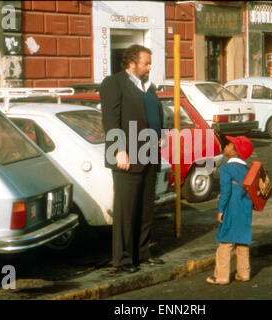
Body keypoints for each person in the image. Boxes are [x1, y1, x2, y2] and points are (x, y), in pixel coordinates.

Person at [100, 44, 165, 273]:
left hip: (150, 153)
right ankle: (124, 259)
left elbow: (154, 115)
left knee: (146, 207)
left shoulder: (148, 86)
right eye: (146, 63)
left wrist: (160, 136)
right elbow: (111, 119)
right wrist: (119, 150)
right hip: (127, 156)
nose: (149, 67)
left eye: (149, 63)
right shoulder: (114, 83)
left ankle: (143, 253)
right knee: (126, 210)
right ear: (132, 63)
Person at [206, 135, 254, 285]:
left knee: (225, 242)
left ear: (234, 151)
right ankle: (244, 273)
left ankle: (221, 276)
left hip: (231, 208)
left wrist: (221, 209)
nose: (225, 146)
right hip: (245, 208)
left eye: (228, 144)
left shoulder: (226, 168)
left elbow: (226, 191)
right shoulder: (248, 168)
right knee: (242, 241)